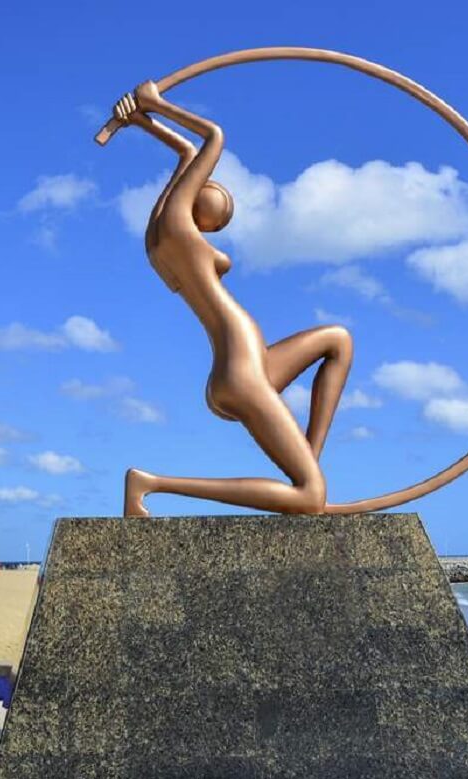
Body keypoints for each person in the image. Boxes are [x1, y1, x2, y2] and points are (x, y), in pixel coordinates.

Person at [111, 82, 353, 516]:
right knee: (309, 499)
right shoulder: (177, 233)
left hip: (251, 361)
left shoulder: (164, 237)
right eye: (220, 196)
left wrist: (140, 123)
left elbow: (187, 156)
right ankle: (151, 483)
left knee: (338, 340)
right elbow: (212, 139)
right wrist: (156, 104)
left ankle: (308, 458)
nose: (222, 202)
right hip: (242, 370)